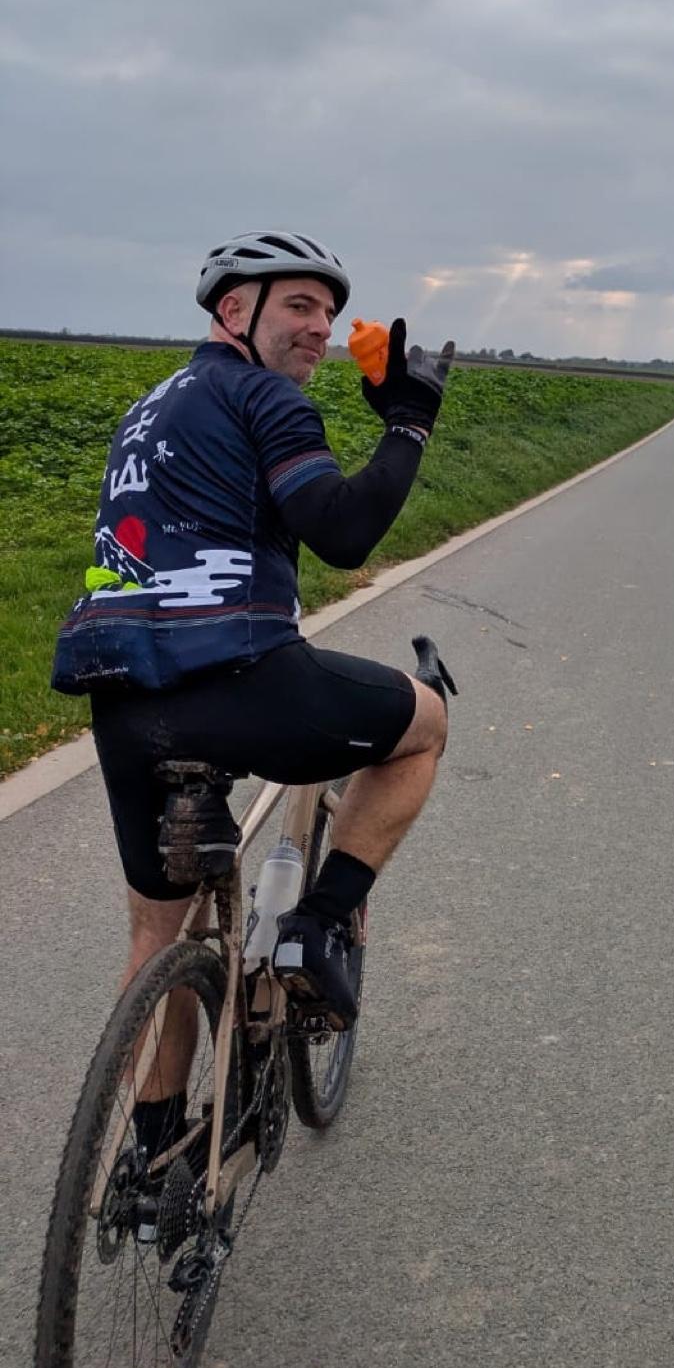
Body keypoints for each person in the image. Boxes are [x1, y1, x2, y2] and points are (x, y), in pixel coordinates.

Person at [52, 230, 456, 1156]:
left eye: (328, 311)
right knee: (426, 725)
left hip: (121, 697)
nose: (320, 328)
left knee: (157, 933)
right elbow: (343, 533)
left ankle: (153, 1162)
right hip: (239, 680)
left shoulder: (150, 407)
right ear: (234, 310)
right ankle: (317, 928)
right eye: (299, 306)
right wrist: (408, 424)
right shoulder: (265, 395)